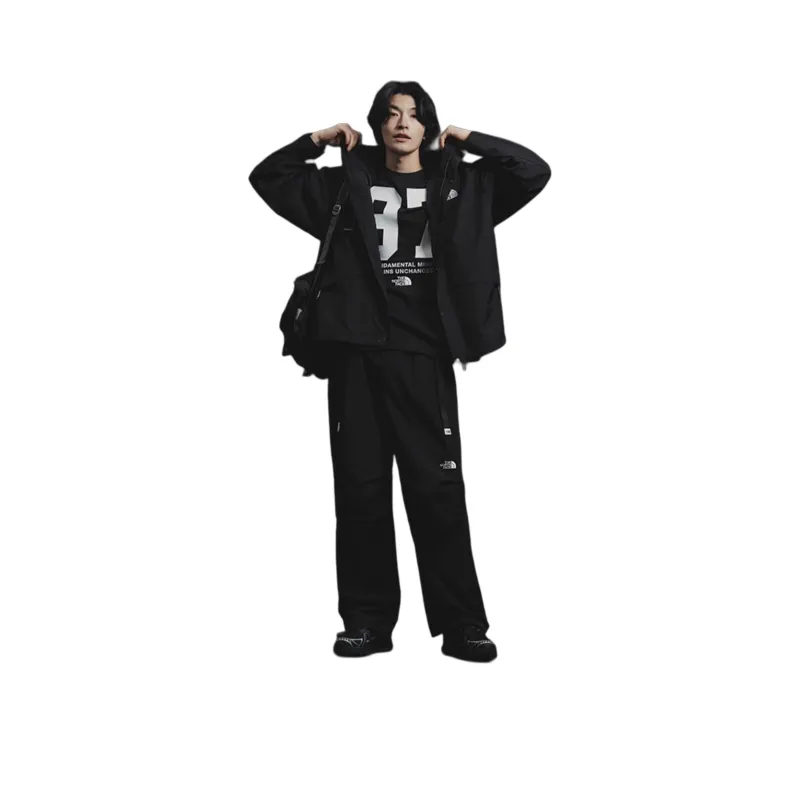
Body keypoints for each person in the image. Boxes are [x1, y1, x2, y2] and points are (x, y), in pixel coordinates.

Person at [249, 81, 551, 662]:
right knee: (359, 494)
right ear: (377, 125)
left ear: (428, 126)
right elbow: (268, 177)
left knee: (438, 493)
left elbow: (533, 171)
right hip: (355, 359)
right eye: (390, 114)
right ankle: (366, 622)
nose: (402, 123)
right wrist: (317, 140)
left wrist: (469, 139)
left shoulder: (463, 185)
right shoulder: (344, 186)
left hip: (424, 359)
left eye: (414, 115)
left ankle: (463, 626)